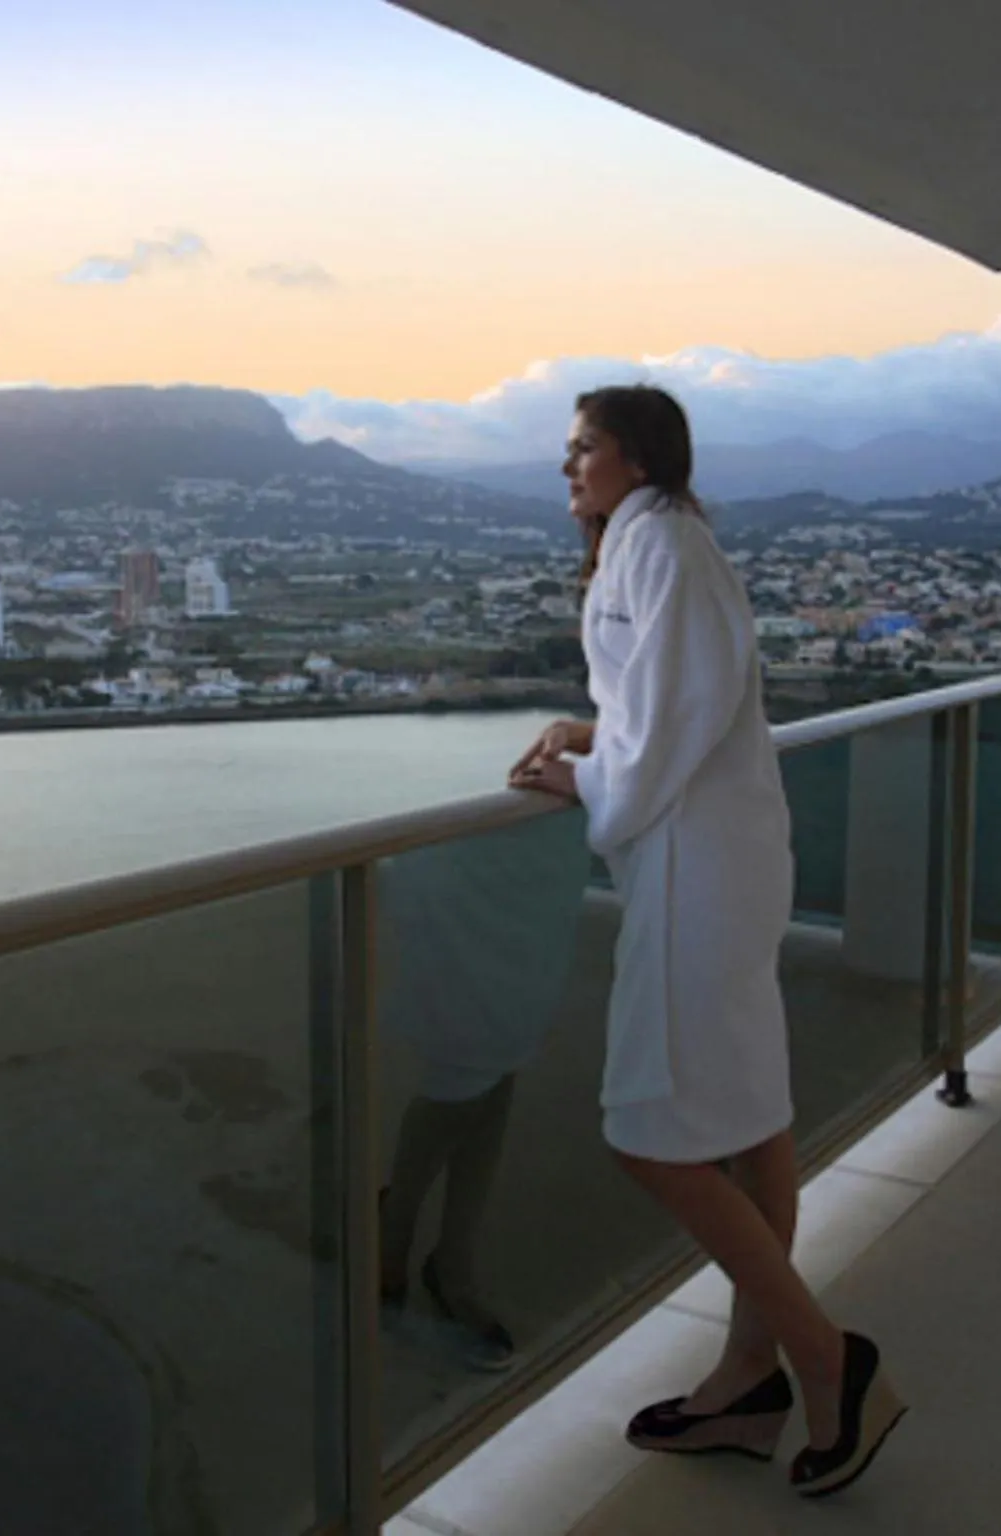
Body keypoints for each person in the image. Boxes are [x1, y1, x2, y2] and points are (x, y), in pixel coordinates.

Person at [508, 385, 905, 1498]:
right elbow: (678, 705)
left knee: (650, 1130)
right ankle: (748, 1376)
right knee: (747, 1116)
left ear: (635, 458)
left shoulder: (663, 552)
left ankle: (828, 1361)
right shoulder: (663, 544)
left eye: (581, 447)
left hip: (696, 878)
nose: (565, 466)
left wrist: (581, 774)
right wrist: (595, 732)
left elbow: (671, 727)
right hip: (722, 862)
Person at [375, 815, 591, 1372]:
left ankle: (441, 1256)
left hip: (541, 825)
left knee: (498, 1059)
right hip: (470, 821)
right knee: (464, 1061)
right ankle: (402, 1245)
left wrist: (580, 738)